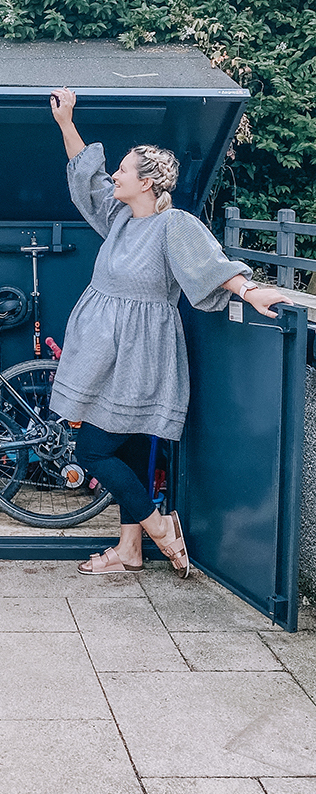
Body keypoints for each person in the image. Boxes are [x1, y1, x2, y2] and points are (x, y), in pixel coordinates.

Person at [49, 87, 291, 577]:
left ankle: (159, 529)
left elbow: (208, 264)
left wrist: (248, 290)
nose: (114, 173)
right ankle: (130, 551)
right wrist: (66, 124)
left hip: (139, 353)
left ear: (150, 181)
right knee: (132, 449)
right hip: (104, 351)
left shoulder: (174, 225)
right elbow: (86, 180)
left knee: (93, 450)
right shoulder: (117, 217)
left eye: (123, 169)